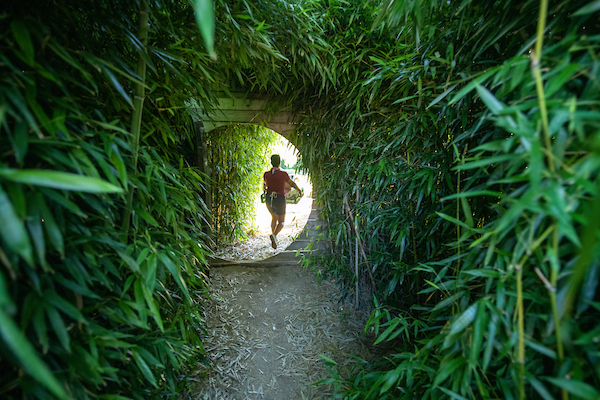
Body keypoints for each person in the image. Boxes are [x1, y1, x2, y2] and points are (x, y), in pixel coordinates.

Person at [263, 154, 302, 249]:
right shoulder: (283, 174)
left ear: (271, 162)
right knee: (281, 222)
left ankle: (274, 238)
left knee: (274, 218)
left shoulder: (266, 174)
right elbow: (291, 184)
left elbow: (266, 186)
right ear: (279, 163)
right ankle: (274, 235)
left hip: (269, 199)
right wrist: (299, 190)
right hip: (279, 199)